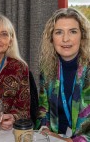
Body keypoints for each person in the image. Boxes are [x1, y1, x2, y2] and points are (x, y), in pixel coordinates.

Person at [35, 8, 90, 142]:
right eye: (59, 32)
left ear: (82, 36)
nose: (66, 39)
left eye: (73, 31)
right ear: (51, 38)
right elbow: (43, 109)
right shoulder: (47, 68)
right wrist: (44, 130)